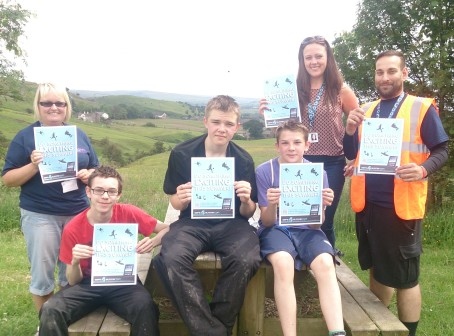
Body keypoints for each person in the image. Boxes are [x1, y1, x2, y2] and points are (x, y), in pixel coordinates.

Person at [344, 50, 449, 336]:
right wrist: (350, 129)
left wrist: (423, 169)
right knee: (378, 268)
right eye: (380, 72)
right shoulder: (366, 110)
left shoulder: (420, 108)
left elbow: (442, 150)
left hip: (401, 206)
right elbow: (353, 153)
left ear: (403, 73)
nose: (385, 77)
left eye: (391, 71)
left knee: (405, 278)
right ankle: (379, 328)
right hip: (368, 205)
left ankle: (408, 332)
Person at [153, 95, 261, 336]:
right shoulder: (182, 153)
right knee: (170, 258)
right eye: (216, 122)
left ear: (237, 127)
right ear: (205, 122)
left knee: (248, 260)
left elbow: (249, 212)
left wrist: (246, 200)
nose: (222, 129)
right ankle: (212, 331)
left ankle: (215, 325)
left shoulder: (243, 159)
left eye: (229, 124)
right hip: (191, 222)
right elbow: (174, 201)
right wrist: (181, 198)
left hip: (233, 223)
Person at [1, 83, 99, 313]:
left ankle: (68, 318)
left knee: (73, 271)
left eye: (59, 103)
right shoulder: (25, 137)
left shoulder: (78, 134)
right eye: (47, 103)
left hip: (77, 212)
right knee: (43, 274)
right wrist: (34, 166)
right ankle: (47, 325)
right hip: (41, 215)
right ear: (38, 106)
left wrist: (90, 175)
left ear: (67, 107)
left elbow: (96, 167)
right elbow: (8, 179)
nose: (53, 107)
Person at [39, 165, 169, 336]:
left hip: (124, 281)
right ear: (88, 192)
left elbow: (168, 228)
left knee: (146, 307)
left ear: (118, 195)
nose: (105, 196)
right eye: (99, 190)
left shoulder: (129, 213)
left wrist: (153, 242)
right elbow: (73, 280)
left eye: (111, 191)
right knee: (50, 309)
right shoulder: (73, 228)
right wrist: (76, 261)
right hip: (87, 283)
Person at [259, 36, 359, 253]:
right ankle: (290, 254)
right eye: (308, 57)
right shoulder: (292, 89)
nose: (314, 61)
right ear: (302, 61)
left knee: (324, 217)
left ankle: (328, 258)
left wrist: (357, 159)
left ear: (328, 58)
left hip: (332, 163)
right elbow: (282, 129)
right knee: (294, 214)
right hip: (299, 161)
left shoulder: (341, 90)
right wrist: (270, 113)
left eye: (318, 56)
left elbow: (358, 127)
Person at [256, 121, 346, 336]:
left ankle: (337, 332)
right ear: (277, 146)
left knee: (326, 263)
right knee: (283, 263)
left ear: (307, 146)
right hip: (276, 229)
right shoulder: (264, 171)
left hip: (308, 230)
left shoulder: (317, 174)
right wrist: (272, 204)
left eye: (297, 142)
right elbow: (266, 221)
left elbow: (317, 224)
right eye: (285, 143)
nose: (291, 148)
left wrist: (323, 206)